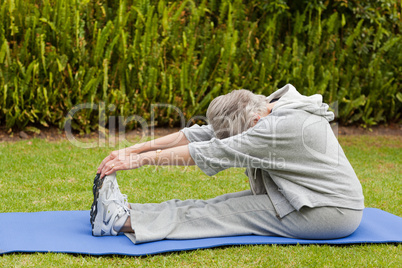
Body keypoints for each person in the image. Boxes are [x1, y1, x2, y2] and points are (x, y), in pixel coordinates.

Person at [90, 84, 364, 244]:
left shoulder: (278, 127)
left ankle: (119, 221)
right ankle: (128, 211)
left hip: (326, 211)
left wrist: (140, 161)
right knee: (216, 205)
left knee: (220, 214)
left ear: (254, 123)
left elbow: (214, 149)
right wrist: (134, 149)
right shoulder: (265, 107)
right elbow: (205, 133)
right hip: (307, 196)